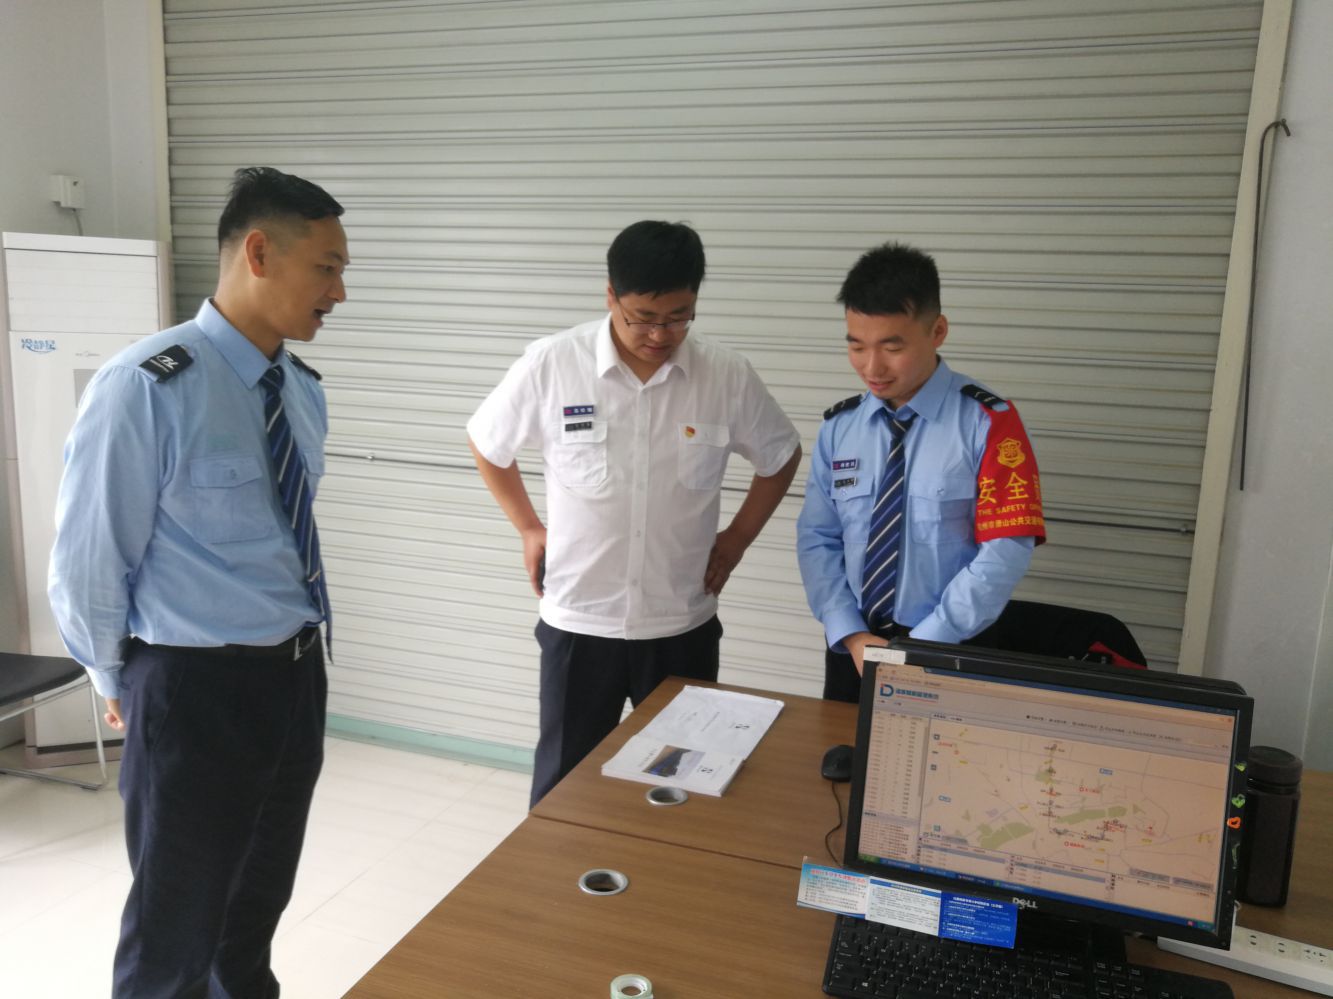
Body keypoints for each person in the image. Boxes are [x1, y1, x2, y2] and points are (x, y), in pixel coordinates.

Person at [48, 166, 348, 998]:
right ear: (259, 252)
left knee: (254, 907)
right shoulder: (145, 387)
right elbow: (88, 557)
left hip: (294, 675)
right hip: (192, 687)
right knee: (175, 927)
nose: (340, 292)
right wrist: (115, 679)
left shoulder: (298, 389)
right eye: (326, 268)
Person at [467, 220, 802, 806]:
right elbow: (488, 443)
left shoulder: (725, 375)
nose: (659, 334)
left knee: (680, 783)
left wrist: (737, 540)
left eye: (678, 317)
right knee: (565, 785)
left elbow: (780, 455)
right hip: (580, 622)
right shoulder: (553, 363)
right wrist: (528, 527)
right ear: (611, 297)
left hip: (681, 624)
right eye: (643, 317)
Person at [797, 242, 1045, 702]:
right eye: (856, 346)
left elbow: (1007, 546)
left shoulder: (989, 423)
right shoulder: (840, 428)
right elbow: (818, 538)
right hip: (855, 647)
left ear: (937, 331)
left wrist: (928, 642)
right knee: (843, 748)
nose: (872, 367)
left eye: (892, 347)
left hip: (952, 647)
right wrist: (850, 632)